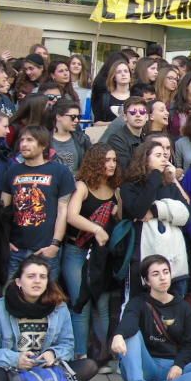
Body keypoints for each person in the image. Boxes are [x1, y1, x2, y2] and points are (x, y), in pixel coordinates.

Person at [0, 256, 98, 381]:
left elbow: (67, 345)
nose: (37, 281)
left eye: (42, 277)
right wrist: (16, 359)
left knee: (90, 366)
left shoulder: (59, 307)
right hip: (13, 373)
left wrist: (53, 354)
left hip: (48, 370)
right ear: (18, 282)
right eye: (31, 276)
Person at [62, 143, 119, 361]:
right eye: (106, 160)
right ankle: (81, 356)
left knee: (103, 304)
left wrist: (118, 210)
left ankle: (103, 355)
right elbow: (71, 216)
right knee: (81, 303)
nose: (112, 164)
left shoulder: (117, 189)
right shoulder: (82, 186)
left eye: (114, 160)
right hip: (76, 251)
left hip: (101, 256)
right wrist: (95, 228)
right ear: (95, 162)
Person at [0, 125, 75, 281]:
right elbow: (3, 211)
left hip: (46, 250)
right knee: (11, 297)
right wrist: (5, 241)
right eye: (21, 140)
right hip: (16, 250)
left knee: (47, 300)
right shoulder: (12, 171)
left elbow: (63, 211)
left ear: (43, 145)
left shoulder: (60, 171)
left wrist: (55, 245)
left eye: (30, 140)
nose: (24, 144)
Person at [120, 141, 191, 299]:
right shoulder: (130, 185)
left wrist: (156, 210)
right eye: (158, 156)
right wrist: (155, 176)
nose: (164, 159)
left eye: (165, 156)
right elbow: (138, 210)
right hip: (145, 258)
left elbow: (185, 215)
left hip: (174, 261)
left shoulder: (169, 185)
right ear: (144, 159)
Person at [106, 96, 148, 170]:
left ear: (147, 117)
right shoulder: (116, 140)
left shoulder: (147, 138)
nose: (138, 115)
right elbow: (126, 169)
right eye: (133, 112)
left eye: (142, 112)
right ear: (125, 117)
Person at [50, 99, 90, 175]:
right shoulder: (44, 140)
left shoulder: (82, 139)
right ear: (58, 117)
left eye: (79, 117)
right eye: (73, 117)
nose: (76, 120)